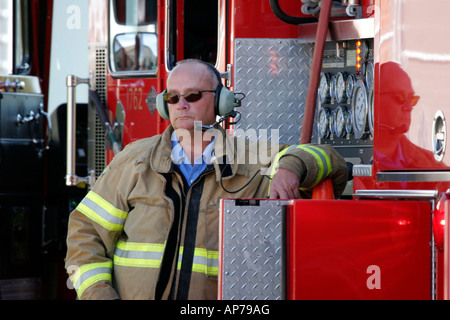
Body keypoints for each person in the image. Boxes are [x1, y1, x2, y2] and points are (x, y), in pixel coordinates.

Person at [65, 59, 348, 300]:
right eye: (173, 97)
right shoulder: (134, 160)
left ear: (222, 101)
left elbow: (331, 160)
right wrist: (98, 294)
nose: (181, 105)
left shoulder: (254, 158)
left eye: (193, 96)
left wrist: (293, 165)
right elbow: (86, 232)